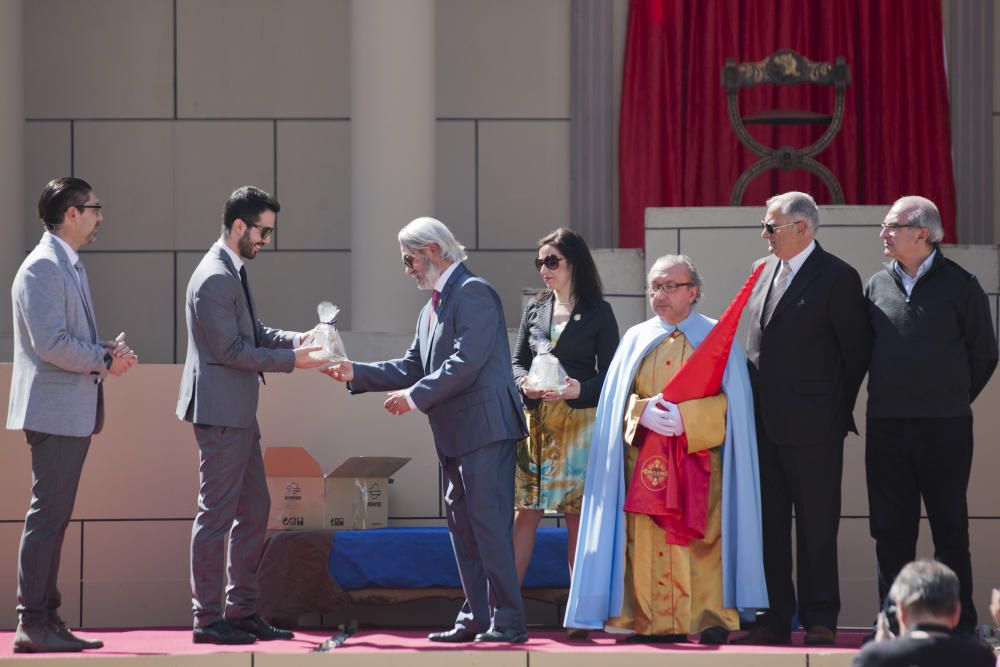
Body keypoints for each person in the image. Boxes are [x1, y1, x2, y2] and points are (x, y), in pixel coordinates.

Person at [322, 217, 529, 643]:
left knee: (487, 525)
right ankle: (476, 615)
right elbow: (412, 366)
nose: (408, 270)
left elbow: (465, 362)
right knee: (464, 529)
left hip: (486, 431)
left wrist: (414, 397)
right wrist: (353, 372)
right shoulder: (430, 308)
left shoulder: (473, 292)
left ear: (433, 250)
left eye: (409, 259)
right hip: (456, 435)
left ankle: (507, 619)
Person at [565, 254, 767, 644]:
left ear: (693, 292)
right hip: (645, 464)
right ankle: (648, 618)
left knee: (703, 538)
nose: (660, 295)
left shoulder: (716, 337)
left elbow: (737, 406)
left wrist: (690, 420)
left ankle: (708, 617)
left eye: (670, 286)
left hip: (701, 463)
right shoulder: (635, 339)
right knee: (645, 538)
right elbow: (615, 404)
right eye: (654, 286)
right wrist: (640, 414)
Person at [177, 186, 323, 645]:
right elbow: (232, 350)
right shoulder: (215, 276)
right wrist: (293, 362)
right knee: (216, 516)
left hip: (237, 413)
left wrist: (300, 340)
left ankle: (240, 610)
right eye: (263, 231)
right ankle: (207, 618)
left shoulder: (232, 270)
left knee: (255, 508)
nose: (266, 240)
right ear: (239, 226)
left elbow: (255, 332)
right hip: (221, 413)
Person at [8, 177, 138, 653]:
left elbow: (64, 340)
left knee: (55, 517)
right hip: (55, 410)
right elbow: (51, 345)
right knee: (48, 517)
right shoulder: (42, 268)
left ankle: (47, 618)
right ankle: (33, 622)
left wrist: (104, 350)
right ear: (71, 214)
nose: (100, 216)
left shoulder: (67, 265)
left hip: (68, 410)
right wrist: (104, 360)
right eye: (94, 208)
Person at [736, 191, 870, 646]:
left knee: (817, 525)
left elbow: (855, 355)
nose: (764, 234)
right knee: (770, 527)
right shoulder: (761, 271)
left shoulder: (837, 277)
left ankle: (819, 618)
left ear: (803, 229)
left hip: (815, 428)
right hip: (763, 424)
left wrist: (830, 411)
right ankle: (774, 618)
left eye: (771, 227)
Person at [864, 196, 997, 637]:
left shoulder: (961, 284)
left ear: (922, 233)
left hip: (945, 428)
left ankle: (960, 627)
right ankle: (892, 624)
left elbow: (985, 353)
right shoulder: (875, 286)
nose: (883, 234)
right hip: (887, 428)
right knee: (890, 533)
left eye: (891, 226)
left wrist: (951, 397)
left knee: (950, 530)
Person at [510, 228, 619, 637]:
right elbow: (516, 362)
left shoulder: (598, 312)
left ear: (574, 263)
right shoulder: (534, 309)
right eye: (539, 262)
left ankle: (578, 614)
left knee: (575, 517)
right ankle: (504, 608)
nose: (544, 269)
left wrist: (579, 389)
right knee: (525, 514)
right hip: (537, 423)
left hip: (577, 424)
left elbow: (611, 374)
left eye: (552, 261)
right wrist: (524, 385)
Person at [851, 560, 994, 667]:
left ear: (901, 611)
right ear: (956, 612)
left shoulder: (874, 657)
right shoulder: (979, 658)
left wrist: (879, 654)